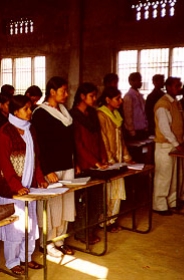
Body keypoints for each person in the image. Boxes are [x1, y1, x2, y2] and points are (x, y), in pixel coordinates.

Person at [0, 95, 47, 276]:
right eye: (26, 109)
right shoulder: (4, 133)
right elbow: (5, 164)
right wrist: (16, 186)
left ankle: (27, 257)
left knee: (31, 226)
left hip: (28, 188)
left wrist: (39, 178)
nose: (30, 112)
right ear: (15, 111)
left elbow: (36, 158)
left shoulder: (30, 130)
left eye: (29, 108)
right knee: (15, 229)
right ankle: (12, 262)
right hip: (12, 190)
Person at [32, 76, 75, 257]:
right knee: (52, 206)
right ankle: (47, 242)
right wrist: (46, 170)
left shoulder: (65, 112)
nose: (66, 94)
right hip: (52, 169)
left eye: (66, 91)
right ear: (52, 92)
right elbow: (39, 145)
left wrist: (75, 163)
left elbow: (70, 141)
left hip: (67, 164)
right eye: (63, 91)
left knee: (66, 204)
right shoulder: (40, 113)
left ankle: (61, 239)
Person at [70, 83, 108, 244]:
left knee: (97, 199)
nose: (94, 99)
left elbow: (99, 137)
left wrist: (103, 157)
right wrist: (95, 162)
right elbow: (77, 144)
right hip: (83, 164)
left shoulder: (92, 113)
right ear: (82, 97)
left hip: (97, 163)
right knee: (83, 202)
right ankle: (81, 233)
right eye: (91, 96)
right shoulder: (73, 116)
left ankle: (90, 229)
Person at [97, 86, 133, 232]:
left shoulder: (116, 114)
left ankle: (111, 220)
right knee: (108, 192)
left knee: (117, 191)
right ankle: (103, 222)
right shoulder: (101, 115)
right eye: (117, 98)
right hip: (108, 161)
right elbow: (103, 139)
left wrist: (126, 157)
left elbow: (121, 139)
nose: (121, 100)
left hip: (118, 160)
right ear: (107, 100)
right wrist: (109, 159)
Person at [153, 77, 184, 216]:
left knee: (175, 176)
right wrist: (177, 144)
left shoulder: (175, 103)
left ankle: (172, 202)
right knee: (164, 176)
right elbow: (165, 128)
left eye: (180, 85)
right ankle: (159, 205)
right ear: (169, 87)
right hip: (164, 145)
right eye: (177, 85)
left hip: (174, 145)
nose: (180, 88)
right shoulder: (163, 104)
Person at [123, 72, 149, 140]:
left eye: (140, 80)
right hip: (134, 130)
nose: (140, 83)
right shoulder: (128, 96)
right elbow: (128, 115)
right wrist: (131, 130)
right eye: (138, 80)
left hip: (142, 128)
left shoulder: (139, 96)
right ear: (131, 82)